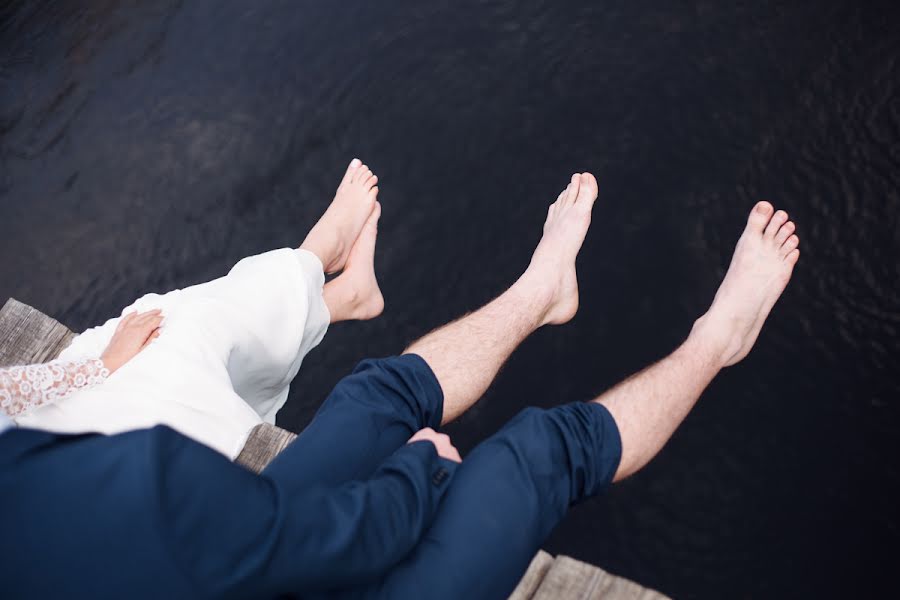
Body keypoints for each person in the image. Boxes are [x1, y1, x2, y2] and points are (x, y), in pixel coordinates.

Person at [0, 173, 800, 599]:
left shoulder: (51, 489)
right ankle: (718, 340)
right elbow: (338, 537)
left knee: (372, 396)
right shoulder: (111, 495)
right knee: (535, 451)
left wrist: (95, 369)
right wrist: (418, 471)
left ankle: (538, 295)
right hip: (250, 562)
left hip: (231, 562)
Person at [10, 159, 387, 457]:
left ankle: (335, 292)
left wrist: (101, 365)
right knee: (180, 338)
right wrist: (104, 366)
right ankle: (319, 257)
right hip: (60, 471)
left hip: (36, 430)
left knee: (166, 324)